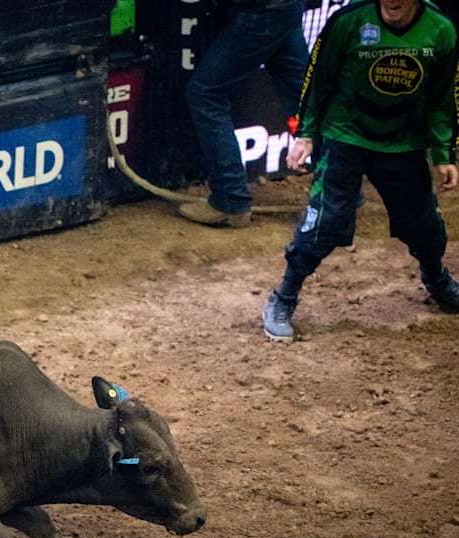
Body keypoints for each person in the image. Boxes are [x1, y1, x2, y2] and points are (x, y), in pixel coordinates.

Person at [262, 0, 459, 341]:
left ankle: (437, 280)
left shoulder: (441, 30)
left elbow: (443, 98)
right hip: (345, 135)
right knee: (325, 222)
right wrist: (306, 135)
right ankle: (283, 298)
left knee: (424, 225)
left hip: (404, 142)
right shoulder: (349, 20)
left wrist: (443, 152)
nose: (390, 1)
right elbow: (317, 78)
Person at [179, 0, 309, 227]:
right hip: (286, 7)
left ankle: (230, 198)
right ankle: (342, 195)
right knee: (305, 100)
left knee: (205, 94)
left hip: (260, 13)